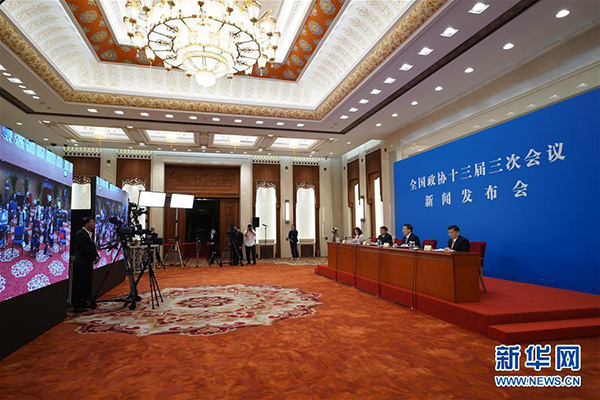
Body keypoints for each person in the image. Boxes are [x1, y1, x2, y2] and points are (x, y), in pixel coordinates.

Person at [72, 216, 99, 313]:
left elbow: (91, 247)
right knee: (80, 284)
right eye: (92, 222)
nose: (94, 224)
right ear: (86, 223)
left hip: (87, 263)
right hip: (81, 263)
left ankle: (84, 302)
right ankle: (78, 305)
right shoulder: (80, 234)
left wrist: (96, 255)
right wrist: (94, 256)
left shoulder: (88, 234)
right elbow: (84, 249)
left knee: (86, 284)